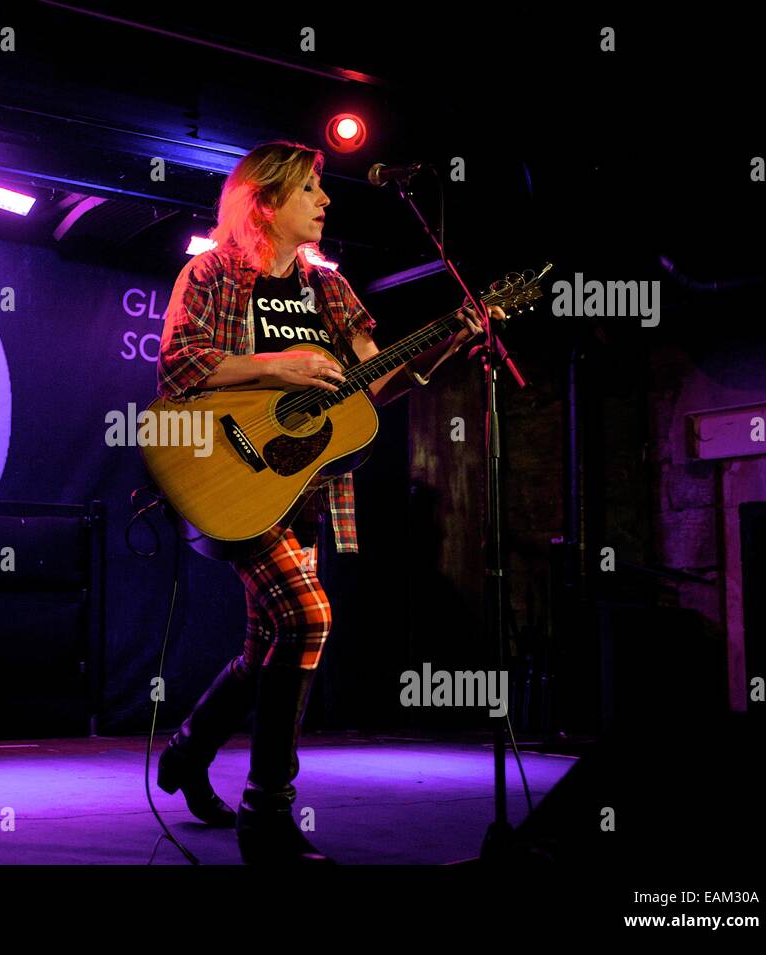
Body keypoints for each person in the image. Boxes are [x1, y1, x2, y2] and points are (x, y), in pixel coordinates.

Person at [153, 140, 497, 864]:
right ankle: (267, 813)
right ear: (266, 203)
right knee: (309, 617)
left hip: (303, 488)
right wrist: (283, 364)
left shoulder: (331, 291)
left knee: (265, 641)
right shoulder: (212, 273)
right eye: (310, 187)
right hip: (229, 476)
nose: (326, 198)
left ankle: (187, 748)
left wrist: (443, 343)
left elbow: (371, 386)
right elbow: (182, 365)